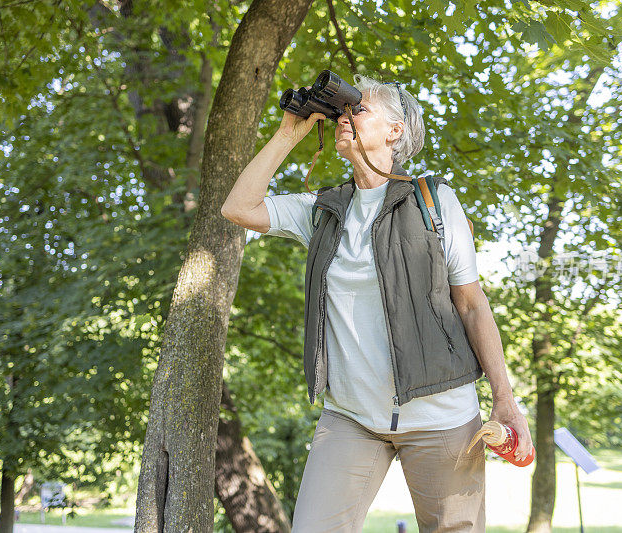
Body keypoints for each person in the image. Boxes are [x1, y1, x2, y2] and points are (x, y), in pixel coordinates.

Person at [221, 74, 532, 532]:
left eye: (359, 109)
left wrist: (504, 398)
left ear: (396, 129)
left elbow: (470, 304)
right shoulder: (323, 208)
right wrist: (288, 133)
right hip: (351, 417)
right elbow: (238, 208)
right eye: (342, 110)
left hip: (441, 415)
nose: (345, 116)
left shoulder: (433, 199)